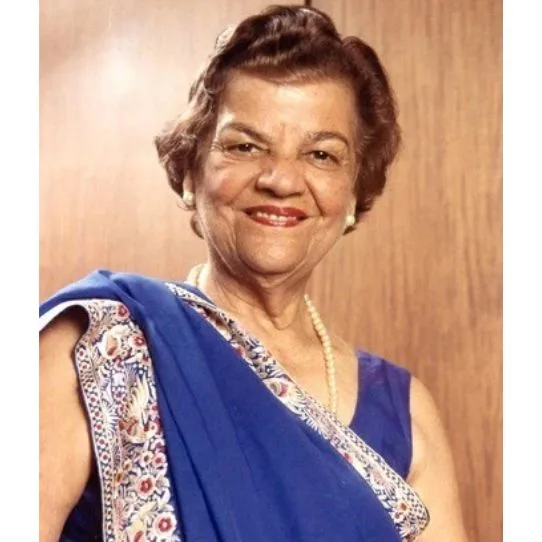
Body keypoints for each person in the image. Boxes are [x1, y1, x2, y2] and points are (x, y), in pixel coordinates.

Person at [40, 5, 468, 541]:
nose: (281, 180)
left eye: (321, 154)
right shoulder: (97, 348)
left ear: (354, 194)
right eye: (245, 146)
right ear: (191, 173)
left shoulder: (405, 413)